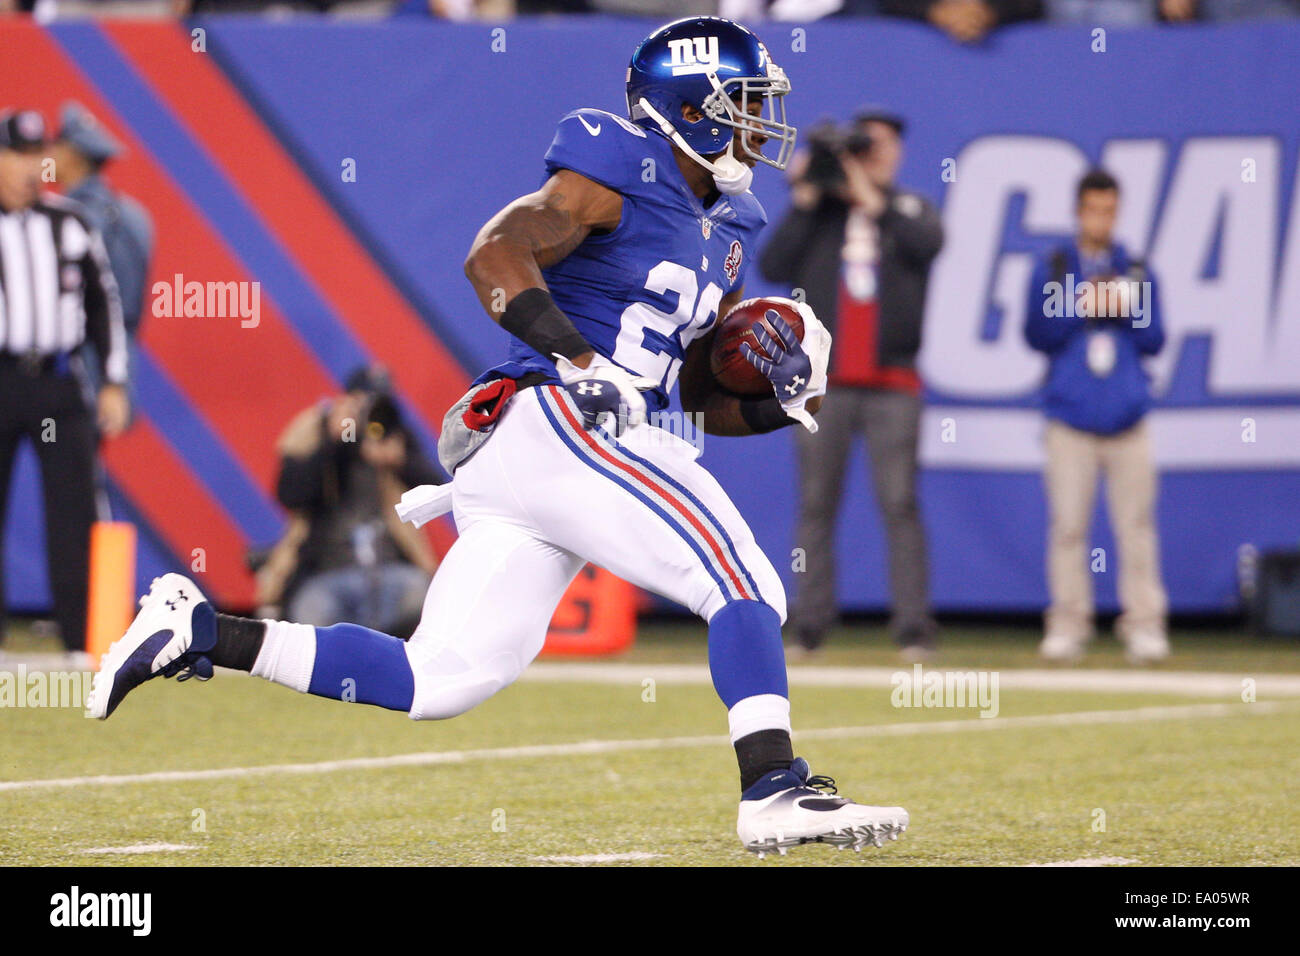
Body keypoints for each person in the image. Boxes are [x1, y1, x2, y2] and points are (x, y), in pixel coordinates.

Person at [90, 16, 908, 857]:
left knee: (439, 677)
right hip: (560, 417)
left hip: (567, 448)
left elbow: (693, 398)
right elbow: (496, 255)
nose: (757, 124)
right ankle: (773, 787)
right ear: (688, 109)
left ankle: (199, 629)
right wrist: (583, 359)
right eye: (742, 103)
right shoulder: (618, 161)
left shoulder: (732, 223)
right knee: (742, 583)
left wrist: (779, 397)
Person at [760, 110, 943, 660]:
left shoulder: (908, 209)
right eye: (864, 147)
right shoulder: (822, 216)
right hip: (824, 383)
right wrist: (805, 199)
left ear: (898, 152)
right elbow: (773, 264)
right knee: (817, 503)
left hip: (894, 382)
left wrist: (867, 192)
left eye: (881, 145)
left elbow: (926, 245)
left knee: (899, 503)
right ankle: (810, 626)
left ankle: (913, 630)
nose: (872, 154)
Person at [1024, 168, 1169, 665]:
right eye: (1093, 210)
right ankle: (1068, 623)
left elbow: (1155, 338)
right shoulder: (1057, 264)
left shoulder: (1137, 267)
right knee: (1068, 527)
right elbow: (1036, 333)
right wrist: (1080, 304)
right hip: (1070, 420)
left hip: (1129, 419)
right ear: (1078, 210)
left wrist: (1125, 306)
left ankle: (1144, 624)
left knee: (1137, 526)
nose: (1101, 220)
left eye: (1109, 211)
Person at [0, 109, 129, 659]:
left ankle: (84, 639)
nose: (32, 167)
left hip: (57, 380)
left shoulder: (70, 223)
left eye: (38, 155)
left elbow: (106, 305)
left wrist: (114, 381)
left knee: (75, 511)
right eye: (19, 156)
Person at [269, 367, 441, 637]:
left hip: (388, 570)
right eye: (362, 403)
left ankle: (364, 646)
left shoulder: (392, 432)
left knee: (418, 593)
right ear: (346, 400)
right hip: (324, 573)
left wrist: (401, 461)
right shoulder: (316, 430)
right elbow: (291, 495)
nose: (367, 414)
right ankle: (360, 644)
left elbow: (437, 489)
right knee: (314, 612)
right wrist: (334, 441)